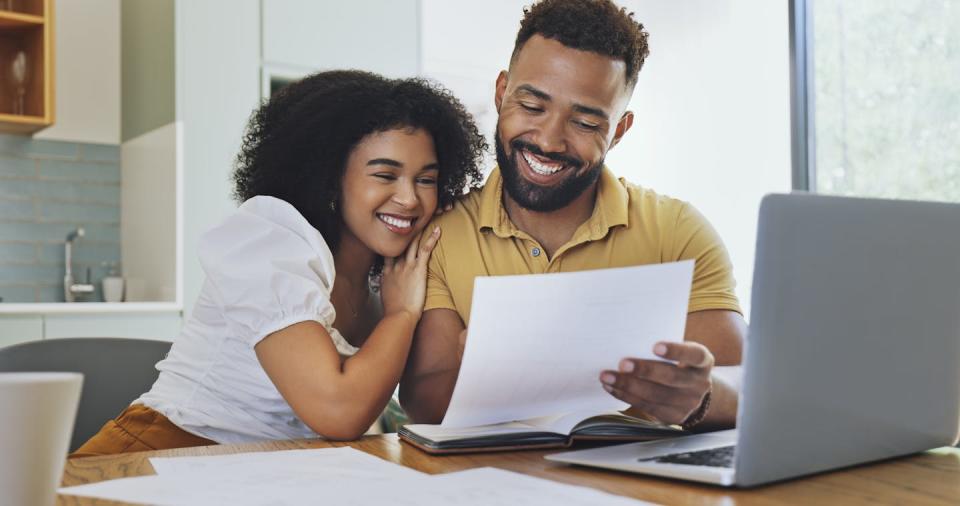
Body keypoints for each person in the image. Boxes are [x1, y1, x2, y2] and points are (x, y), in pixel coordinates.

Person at [71, 70, 486, 457]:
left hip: (270, 470)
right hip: (160, 453)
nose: (410, 198)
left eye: (426, 179)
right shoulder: (270, 241)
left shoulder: (394, 274)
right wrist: (402, 315)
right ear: (328, 175)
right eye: (384, 175)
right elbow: (338, 411)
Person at [400, 0, 747, 431]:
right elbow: (422, 401)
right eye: (531, 107)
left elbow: (742, 380)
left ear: (619, 130)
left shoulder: (677, 231)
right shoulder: (442, 234)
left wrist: (702, 396)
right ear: (501, 92)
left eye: (584, 123)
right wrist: (499, 369)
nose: (549, 140)